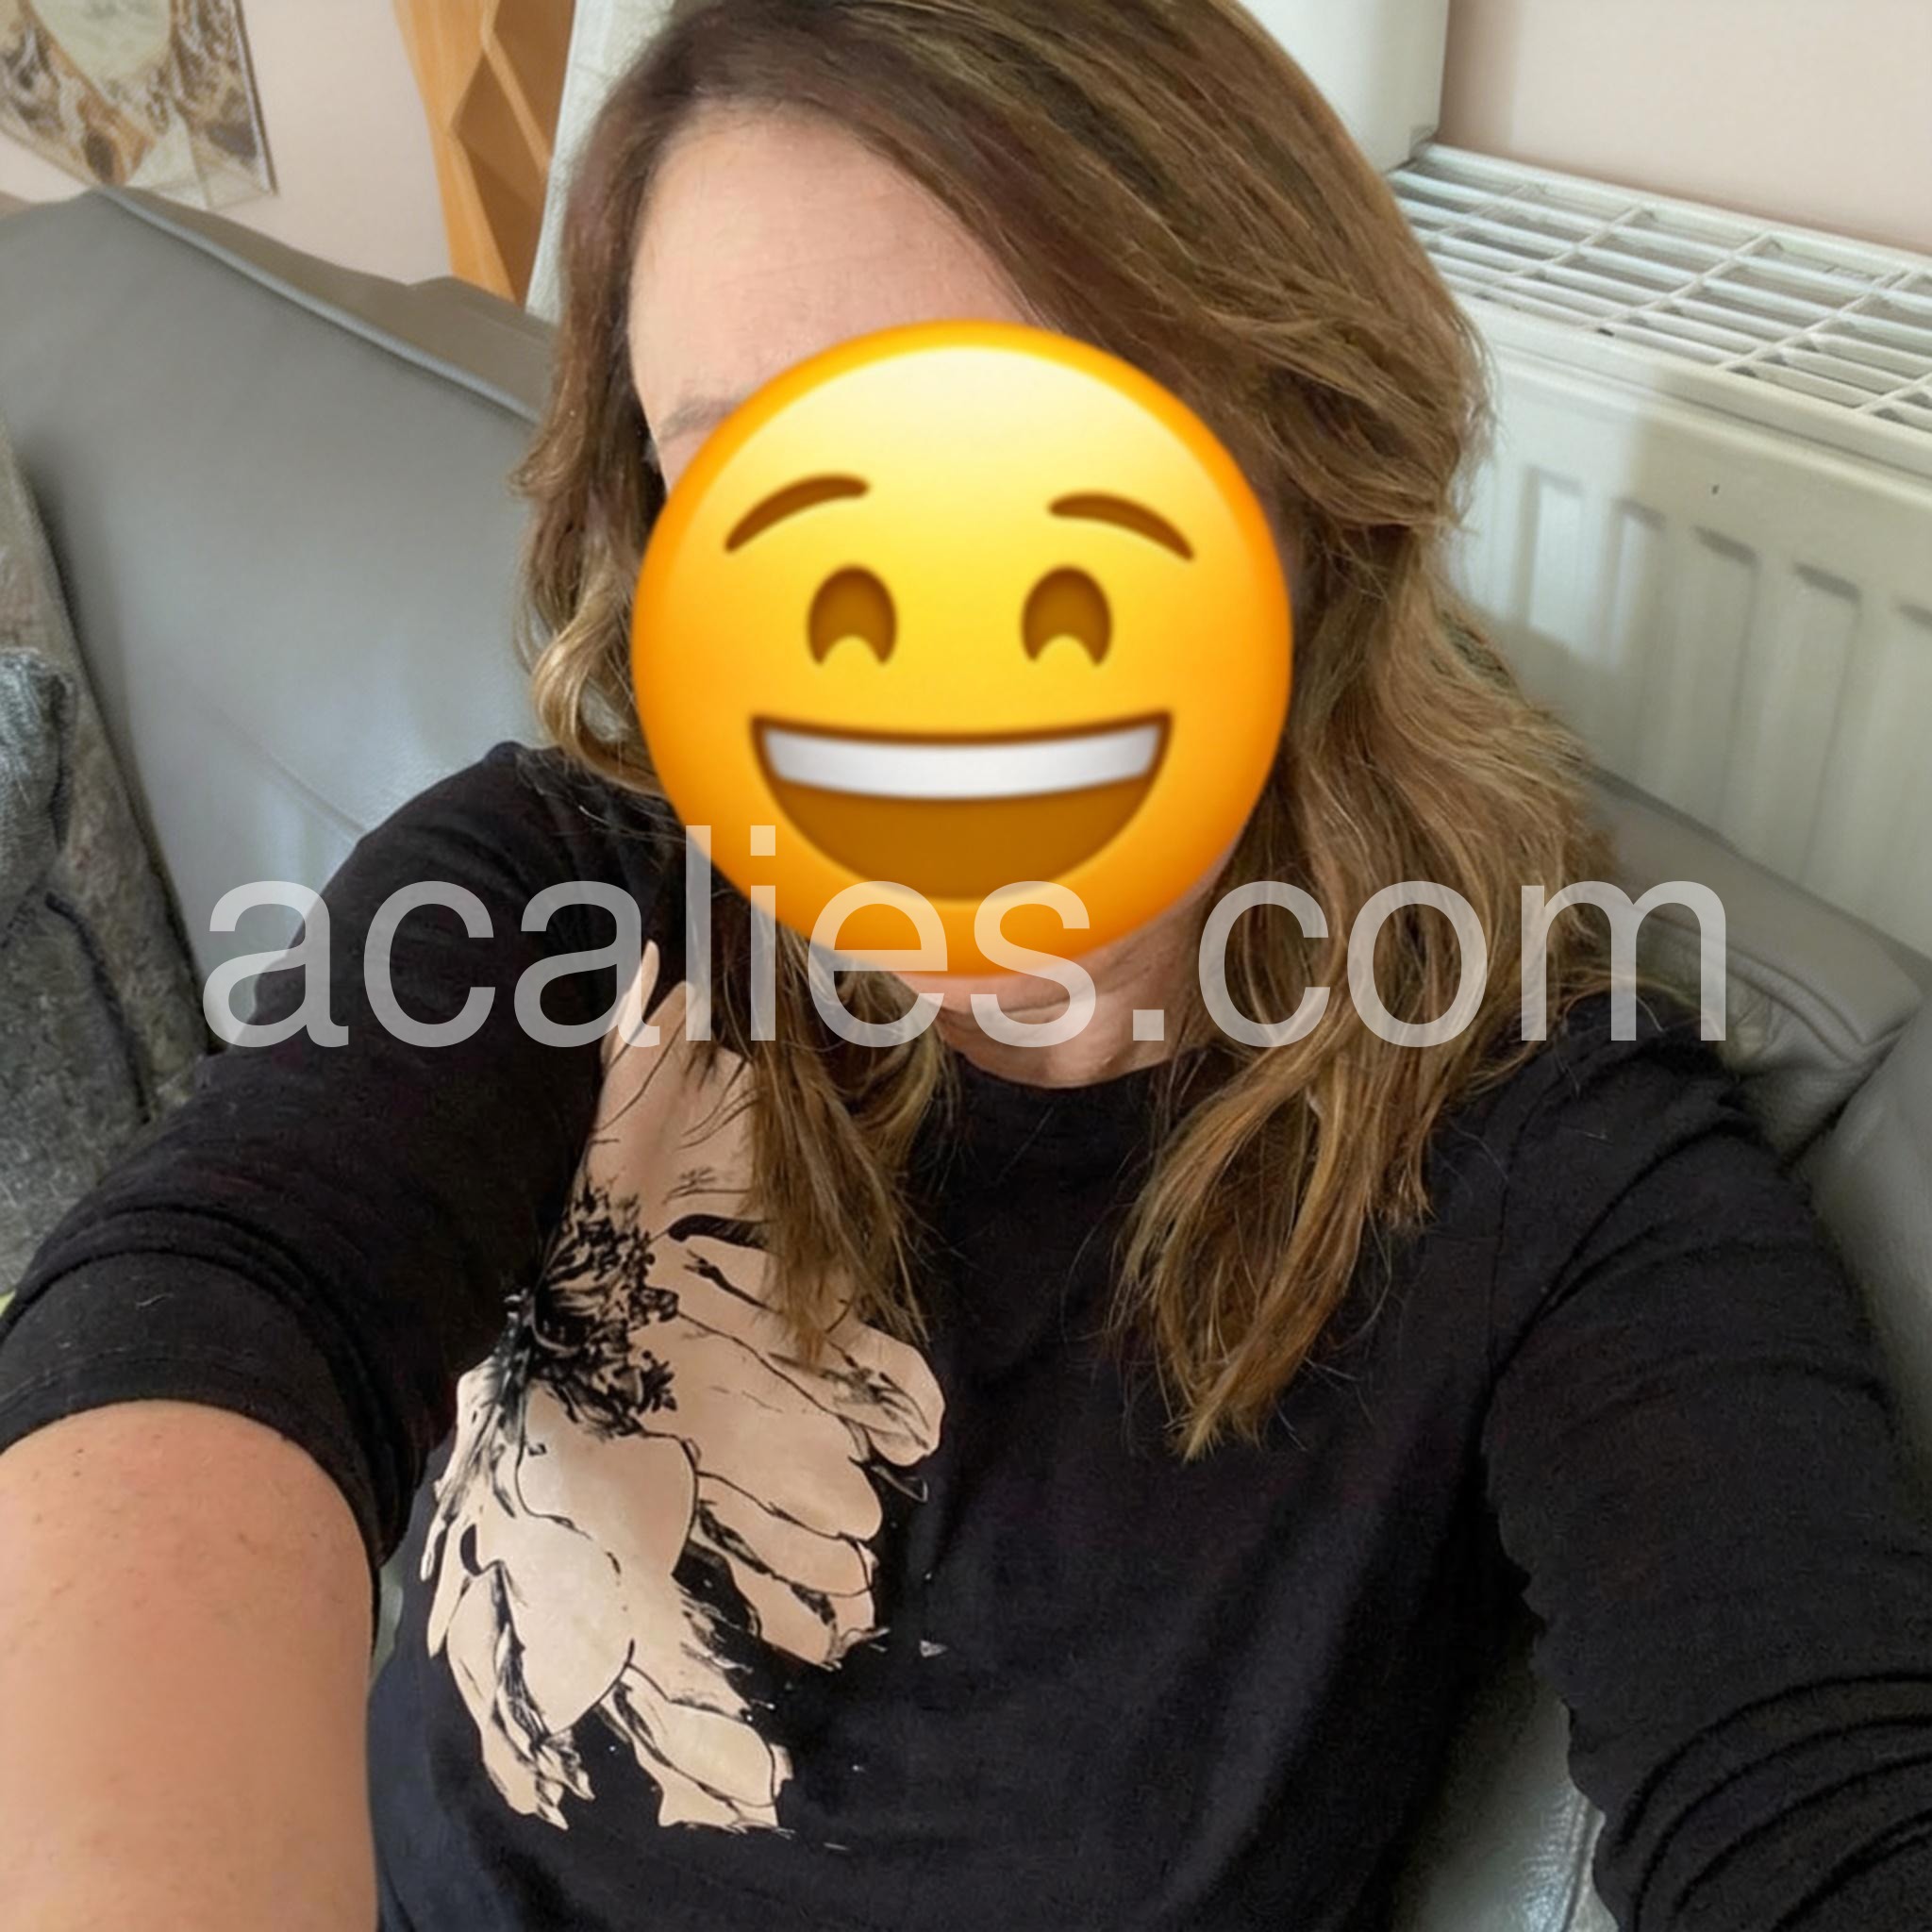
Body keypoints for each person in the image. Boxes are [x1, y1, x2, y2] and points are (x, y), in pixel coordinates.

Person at [3, 3, 1931, 1927]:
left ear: (1301, 461)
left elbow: (1810, 1788)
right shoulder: (561, 893)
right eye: (752, 481)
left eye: (1015, 443)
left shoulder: (1549, 1152)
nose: (894, 634)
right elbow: (212, 1297)